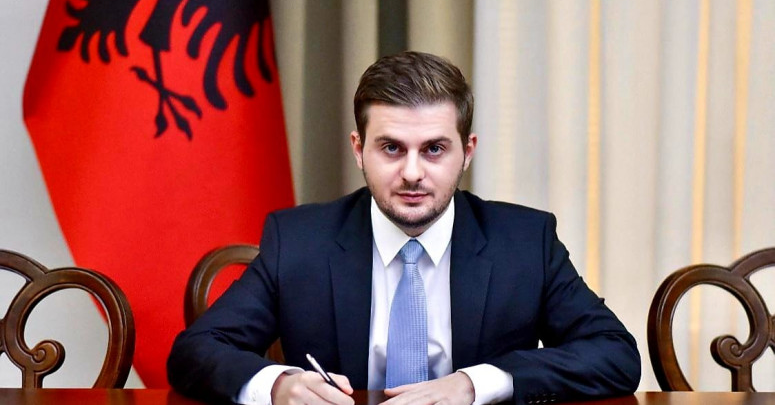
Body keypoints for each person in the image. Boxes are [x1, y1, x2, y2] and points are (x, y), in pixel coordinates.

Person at [167, 51, 641, 405]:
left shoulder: (524, 241)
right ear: (359, 149)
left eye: (434, 149)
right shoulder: (299, 241)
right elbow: (196, 351)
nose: (412, 173)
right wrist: (277, 386)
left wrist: (478, 382)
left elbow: (614, 354)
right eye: (391, 148)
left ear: (467, 151)